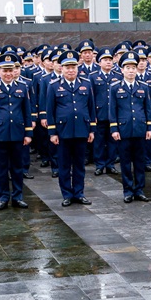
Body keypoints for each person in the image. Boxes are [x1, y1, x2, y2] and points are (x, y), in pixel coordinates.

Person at [0, 53, 33, 210]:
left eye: (11, 70)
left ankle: (18, 196)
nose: (8, 73)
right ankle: (3, 196)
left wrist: (28, 133)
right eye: (5, 70)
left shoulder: (22, 87)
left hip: (18, 132)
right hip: (0, 134)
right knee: (1, 168)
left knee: (18, 167)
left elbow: (27, 112)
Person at [46, 50, 96, 207]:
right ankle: (67, 194)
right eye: (67, 67)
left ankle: (79, 193)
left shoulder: (86, 84)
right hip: (63, 132)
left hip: (81, 130)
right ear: (62, 68)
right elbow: (50, 110)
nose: (70, 70)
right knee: (64, 165)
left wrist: (92, 129)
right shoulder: (54, 86)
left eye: (73, 67)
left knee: (80, 164)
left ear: (77, 68)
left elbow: (91, 107)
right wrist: (52, 132)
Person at [108, 52, 151, 203]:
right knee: (125, 162)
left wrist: (149, 128)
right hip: (124, 130)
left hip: (140, 129)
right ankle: (128, 190)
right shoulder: (115, 87)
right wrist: (114, 129)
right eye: (127, 67)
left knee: (140, 162)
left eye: (133, 67)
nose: (131, 70)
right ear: (122, 70)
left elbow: (148, 109)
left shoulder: (143, 87)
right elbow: (112, 110)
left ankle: (139, 189)